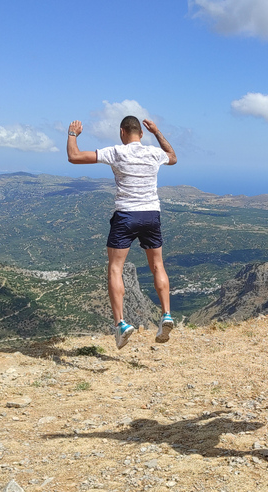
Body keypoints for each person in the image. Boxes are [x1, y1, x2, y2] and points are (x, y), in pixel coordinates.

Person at [67, 115, 178, 349]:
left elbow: (74, 157)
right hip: (151, 214)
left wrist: (72, 134)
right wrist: (158, 132)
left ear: (122, 132)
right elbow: (173, 157)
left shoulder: (116, 152)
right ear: (142, 133)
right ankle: (166, 314)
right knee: (157, 265)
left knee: (115, 268)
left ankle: (120, 324)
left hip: (126, 215)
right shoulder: (153, 153)